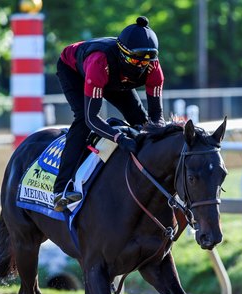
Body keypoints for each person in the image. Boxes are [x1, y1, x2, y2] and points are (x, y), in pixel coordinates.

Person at [53, 16, 165, 212]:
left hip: (114, 77)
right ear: (122, 54)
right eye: (133, 59)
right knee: (82, 120)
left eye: (145, 62)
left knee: (141, 120)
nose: (139, 66)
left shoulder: (154, 69)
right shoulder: (100, 61)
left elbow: (156, 118)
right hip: (77, 71)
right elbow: (91, 118)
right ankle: (61, 189)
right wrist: (119, 138)